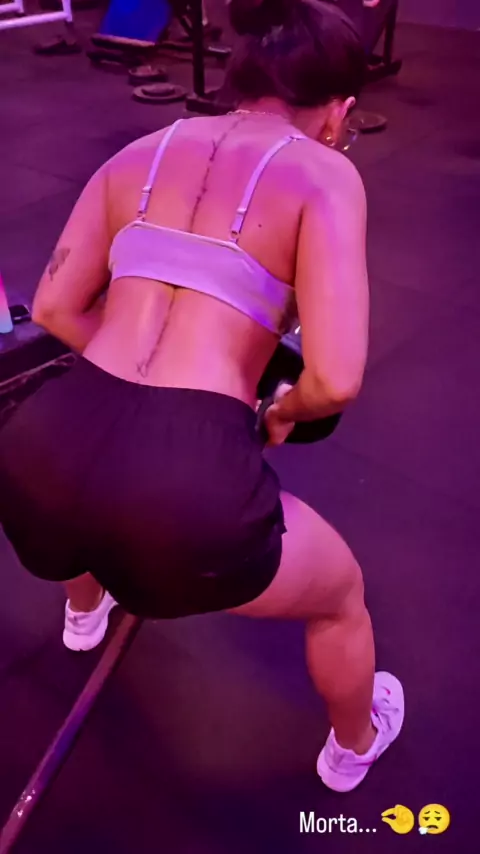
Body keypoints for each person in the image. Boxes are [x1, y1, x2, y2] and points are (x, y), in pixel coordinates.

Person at [0, 0, 404, 792]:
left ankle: (84, 612)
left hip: (34, 449)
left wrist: (128, 384)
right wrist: (273, 413)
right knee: (341, 595)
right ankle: (354, 745)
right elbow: (333, 379)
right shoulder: (325, 172)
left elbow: (53, 309)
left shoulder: (139, 151)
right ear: (338, 112)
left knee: (83, 481)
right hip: (180, 495)